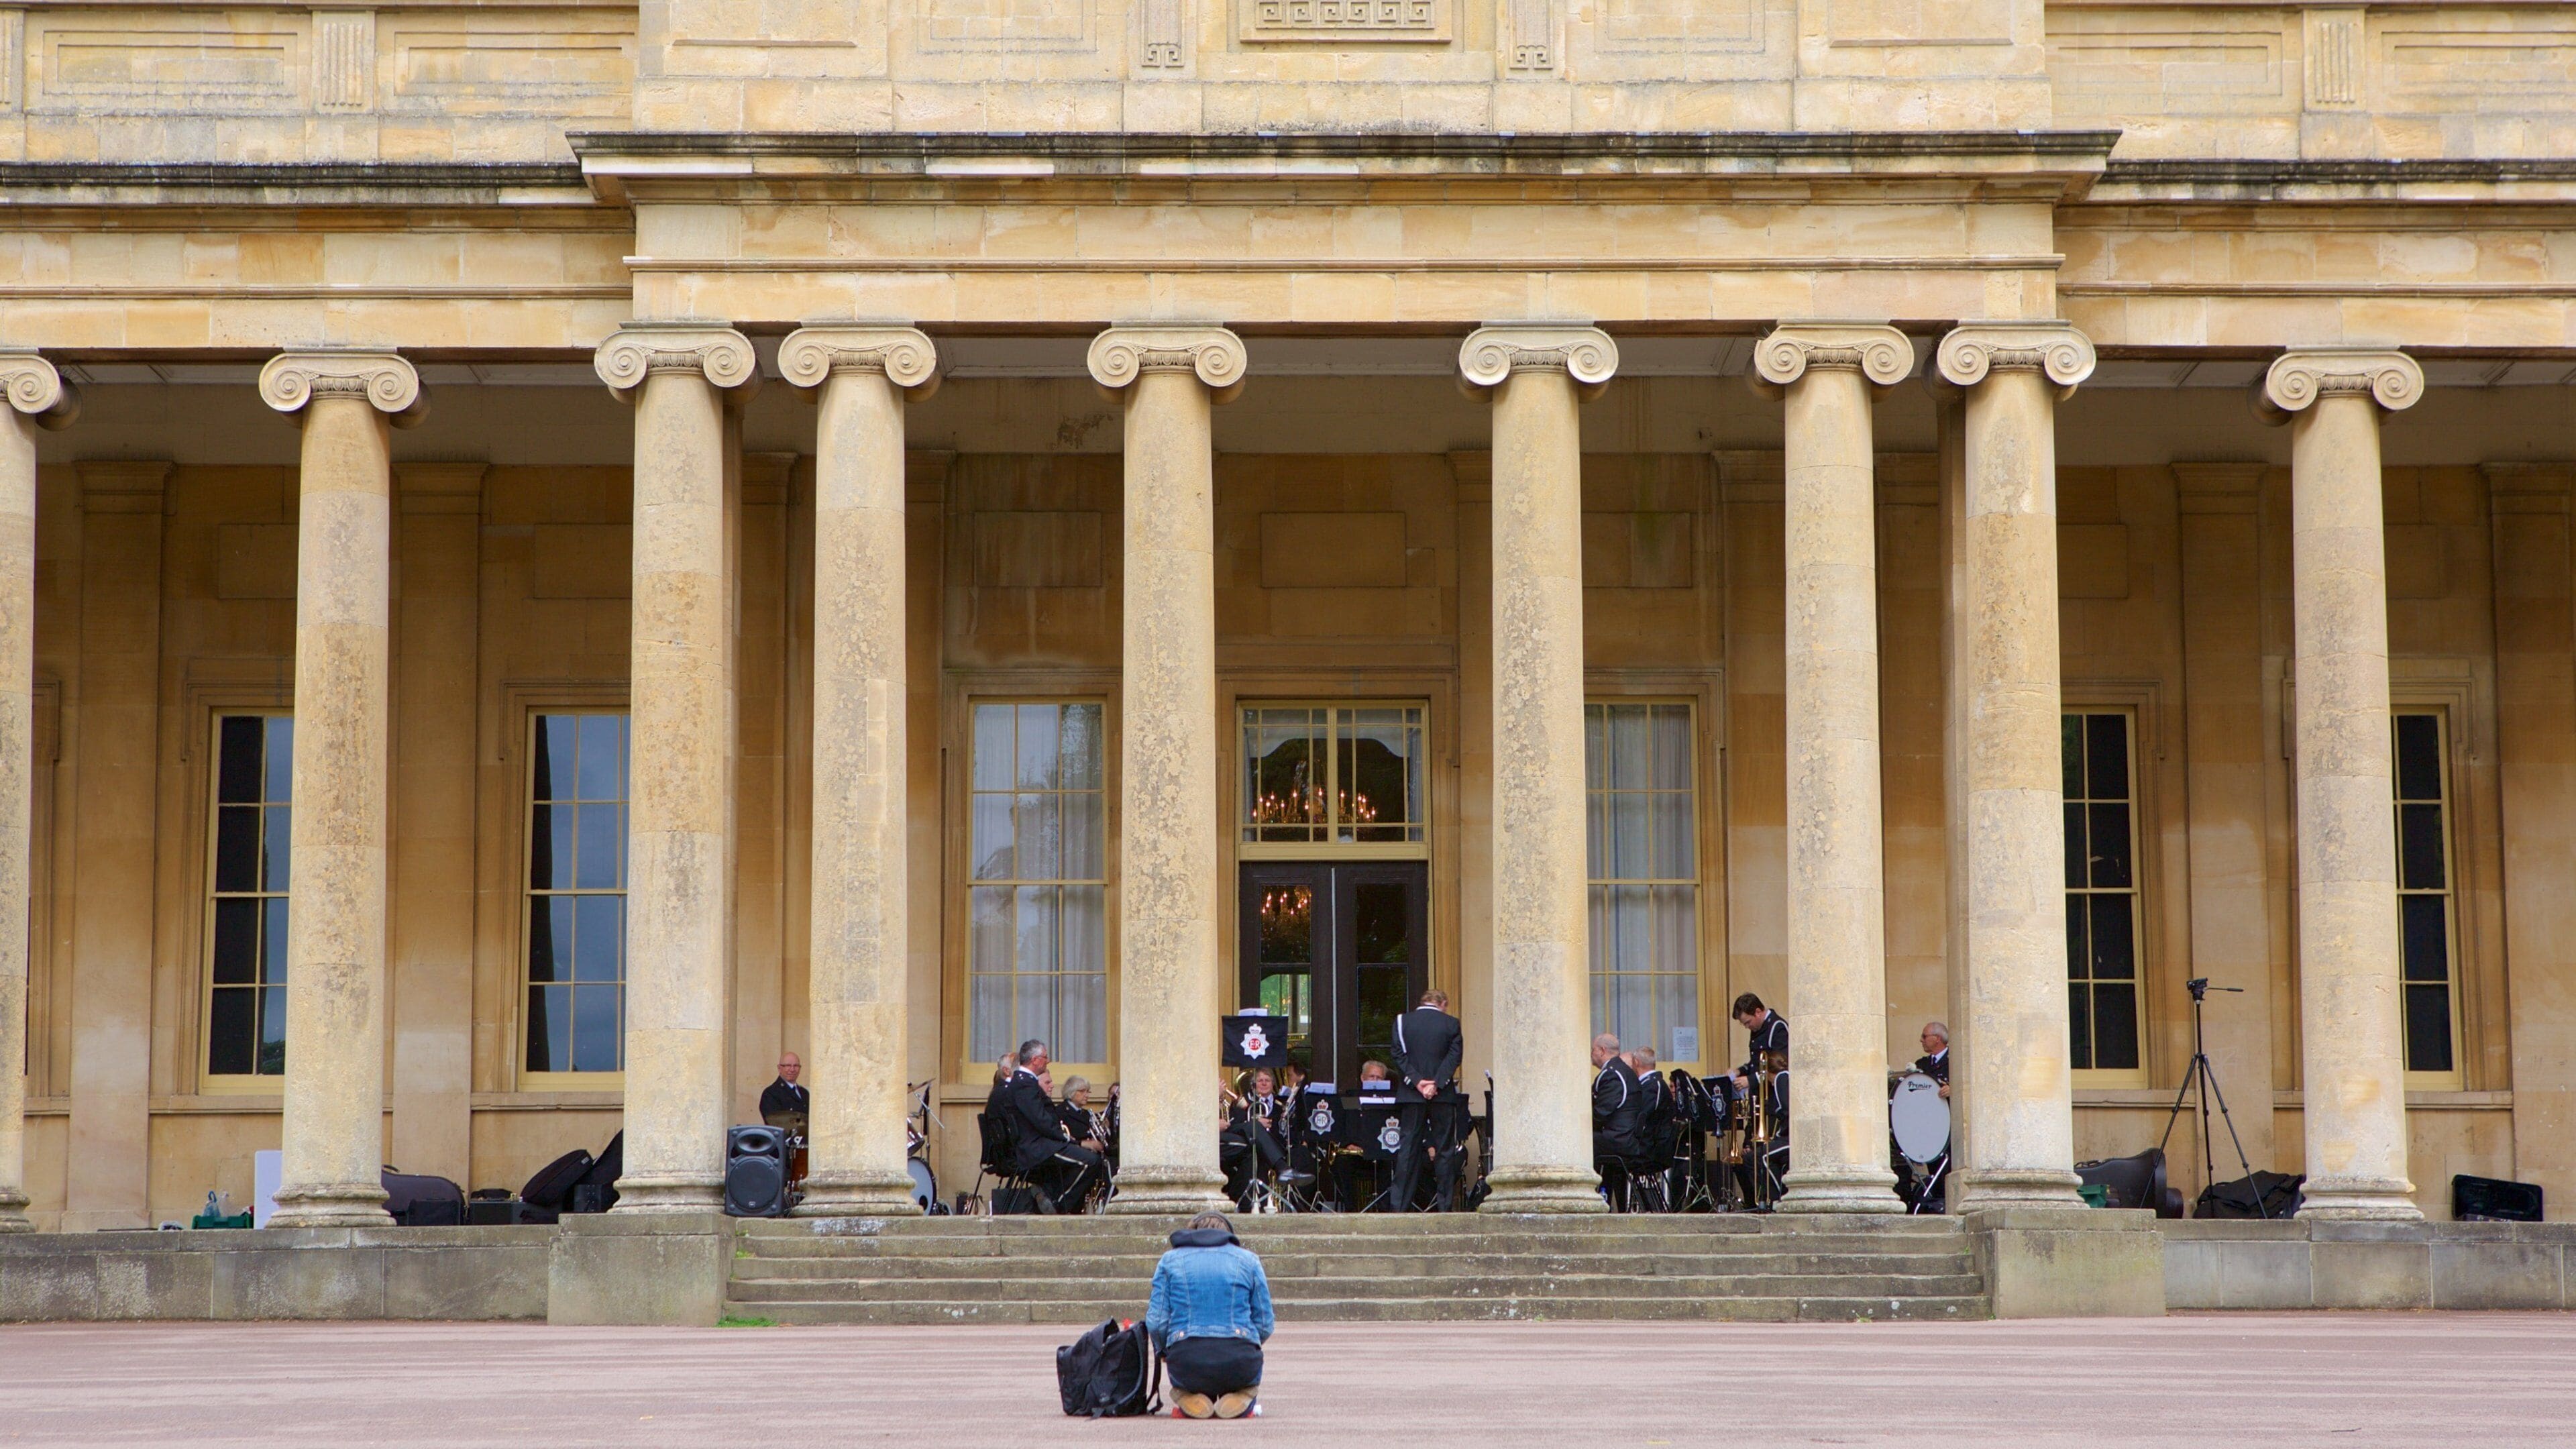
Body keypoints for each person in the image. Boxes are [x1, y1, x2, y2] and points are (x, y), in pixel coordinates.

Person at [1146, 1212, 1274, 1420]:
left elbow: (1156, 1322)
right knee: (1245, 1381)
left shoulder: (1170, 1261)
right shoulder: (1249, 1260)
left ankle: (1188, 1395)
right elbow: (1266, 1323)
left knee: (1186, 1382)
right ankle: (1241, 1395)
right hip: (1239, 1360)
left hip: (1187, 1360)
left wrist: (1164, 1351)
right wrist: (1249, 1343)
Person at [1000, 1040, 1107, 1214]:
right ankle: (1057, 1204)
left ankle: (1049, 1196)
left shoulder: (1024, 1082)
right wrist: (1067, 1139)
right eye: (1045, 1057)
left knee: (1086, 1159)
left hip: (1041, 1143)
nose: (1048, 1060)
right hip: (1038, 1147)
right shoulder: (1024, 1084)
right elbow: (1041, 1120)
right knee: (1090, 1162)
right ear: (1035, 1060)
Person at [1390, 989, 1463, 1212]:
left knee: (1408, 1149)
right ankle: (1444, 1207)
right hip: (1443, 1095)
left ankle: (1399, 1207)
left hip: (1412, 1094)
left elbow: (1397, 1053)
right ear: (1443, 1003)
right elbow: (1454, 1057)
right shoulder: (1451, 1023)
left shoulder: (1402, 1021)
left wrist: (1417, 1081)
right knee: (1444, 1150)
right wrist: (1436, 1084)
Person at [1591, 1033, 1643, 1167]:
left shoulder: (1612, 1074)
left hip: (1617, 1140)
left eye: (1593, 1050)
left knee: (1574, 1141)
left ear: (1602, 1051)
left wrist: (1581, 1127)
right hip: (1625, 1137)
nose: (1591, 1054)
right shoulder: (1625, 1071)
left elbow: (1602, 1112)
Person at [758, 1052, 810, 1124]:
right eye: (788, 1066)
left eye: (796, 1066)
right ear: (779, 1068)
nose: (792, 1069)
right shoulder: (770, 1093)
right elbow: (776, 1123)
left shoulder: (805, 1093)